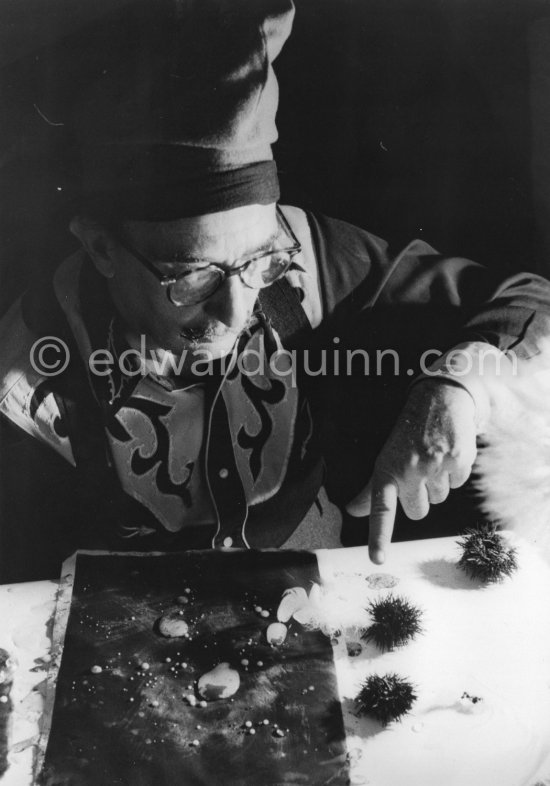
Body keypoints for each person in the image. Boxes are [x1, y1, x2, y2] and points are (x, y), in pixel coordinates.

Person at [0, 0, 549, 582]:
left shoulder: (310, 254)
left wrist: (459, 386)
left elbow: (534, 302)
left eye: (260, 261)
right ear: (101, 248)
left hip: (321, 604)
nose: (237, 311)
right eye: (193, 275)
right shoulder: (24, 371)